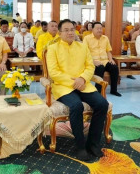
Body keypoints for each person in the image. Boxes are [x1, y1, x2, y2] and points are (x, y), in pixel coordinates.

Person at [47, 19, 109, 161]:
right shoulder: (53, 48)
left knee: (102, 104)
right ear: (60, 32)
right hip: (63, 87)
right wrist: (75, 82)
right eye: (66, 30)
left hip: (84, 84)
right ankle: (80, 146)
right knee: (76, 106)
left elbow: (90, 66)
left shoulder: (82, 47)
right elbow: (54, 72)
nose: (70, 32)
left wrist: (82, 79)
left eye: (72, 29)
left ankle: (93, 143)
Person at [83, 22, 121, 97]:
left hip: (105, 61)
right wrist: (93, 62)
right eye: (97, 28)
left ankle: (114, 90)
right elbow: (84, 53)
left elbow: (108, 51)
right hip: (93, 61)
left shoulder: (105, 38)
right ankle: (98, 91)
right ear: (92, 29)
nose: (99, 30)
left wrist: (111, 59)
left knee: (114, 68)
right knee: (100, 68)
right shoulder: (87, 38)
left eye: (101, 28)